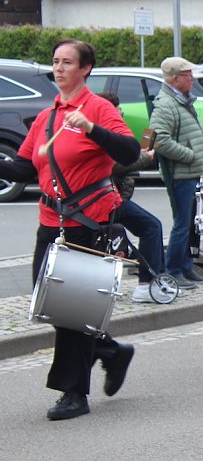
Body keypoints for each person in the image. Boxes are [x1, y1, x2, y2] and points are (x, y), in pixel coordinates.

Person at [0, 39, 139, 420]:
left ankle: (73, 393)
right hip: (51, 225)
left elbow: (129, 152)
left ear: (86, 68)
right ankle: (111, 351)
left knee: (72, 310)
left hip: (88, 223)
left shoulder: (98, 108)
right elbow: (24, 170)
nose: (59, 68)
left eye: (67, 62)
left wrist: (92, 128)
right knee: (51, 306)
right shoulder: (48, 117)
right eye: (55, 62)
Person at [97, 93, 172, 303]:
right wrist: (143, 158)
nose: (120, 114)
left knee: (150, 228)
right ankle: (146, 285)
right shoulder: (100, 133)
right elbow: (112, 166)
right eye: (117, 110)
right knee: (151, 227)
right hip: (107, 200)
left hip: (113, 197)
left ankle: (157, 279)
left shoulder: (106, 131)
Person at [149, 57, 203, 290]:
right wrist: (189, 155)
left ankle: (185, 267)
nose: (192, 79)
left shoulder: (180, 101)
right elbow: (159, 139)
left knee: (190, 224)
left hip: (190, 173)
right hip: (181, 175)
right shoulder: (167, 104)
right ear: (176, 79)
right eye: (188, 75)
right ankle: (174, 270)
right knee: (182, 224)